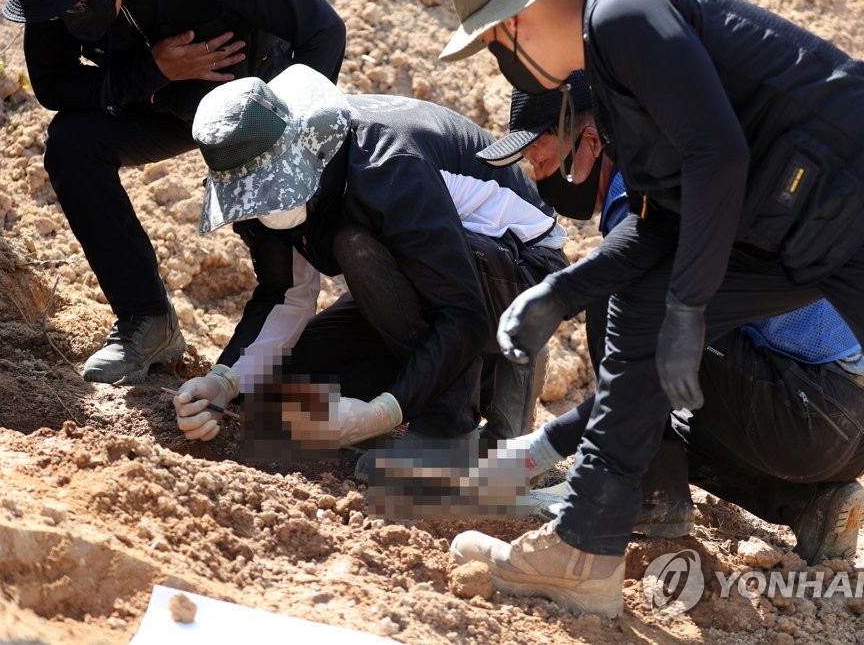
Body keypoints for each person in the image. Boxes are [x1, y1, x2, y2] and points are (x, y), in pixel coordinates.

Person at [438, 0, 864, 632]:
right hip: (806, 234)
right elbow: (662, 222)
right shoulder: (614, 74)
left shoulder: (624, 12)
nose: (498, 58)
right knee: (640, 303)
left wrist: (691, 308)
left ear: (516, 21)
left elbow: (719, 154)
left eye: (490, 43)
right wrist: (562, 292)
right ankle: (582, 546)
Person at [477, 72, 864, 554]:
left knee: (622, 298)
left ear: (590, 141)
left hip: (808, 409)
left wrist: (535, 452)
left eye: (542, 161)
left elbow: (638, 364)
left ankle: (644, 498)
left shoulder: (645, 192)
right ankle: (808, 506)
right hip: (852, 418)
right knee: (662, 427)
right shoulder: (677, 153)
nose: (540, 178)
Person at [171, 64, 567, 474]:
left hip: (520, 274)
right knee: (278, 394)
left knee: (354, 245)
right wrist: (223, 382)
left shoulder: (387, 169)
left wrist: (383, 413)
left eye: (271, 191)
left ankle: (448, 431)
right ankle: (448, 382)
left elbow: (459, 312)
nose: (263, 207)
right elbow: (284, 294)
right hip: (419, 276)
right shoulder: (256, 186)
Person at [1, 0, 346, 384]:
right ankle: (146, 321)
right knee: (72, 144)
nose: (72, 12)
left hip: (256, 109)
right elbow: (54, 86)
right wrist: (154, 72)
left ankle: (315, 352)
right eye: (60, 7)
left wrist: (286, 143)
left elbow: (324, 29)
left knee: (285, 245)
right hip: (158, 104)